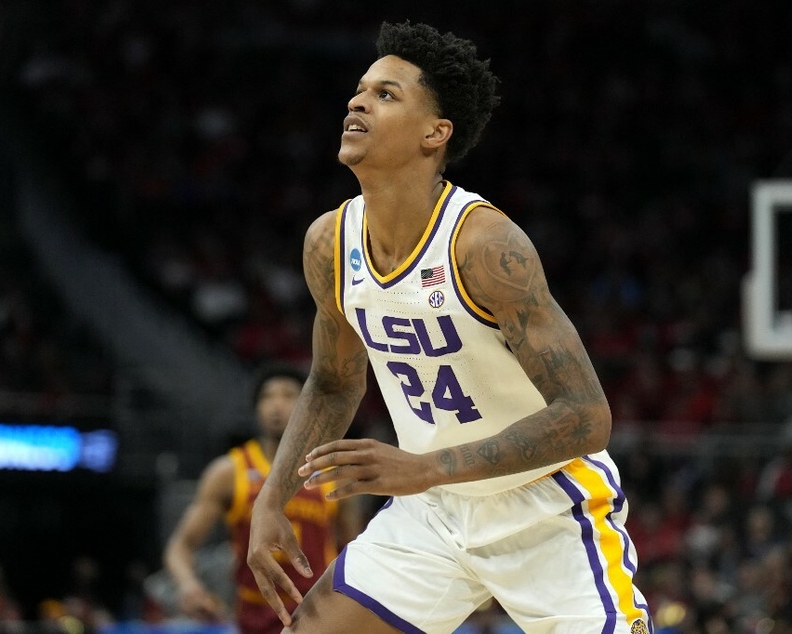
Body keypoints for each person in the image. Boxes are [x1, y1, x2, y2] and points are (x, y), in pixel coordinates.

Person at [247, 20, 652, 633]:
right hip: (431, 512)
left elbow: (587, 415)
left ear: (435, 134)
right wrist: (271, 499)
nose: (357, 101)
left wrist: (426, 467)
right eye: (361, 90)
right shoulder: (329, 243)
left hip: (544, 509)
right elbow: (333, 383)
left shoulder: (485, 246)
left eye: (387, 95)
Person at [164, 362, 364, 633]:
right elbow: (181, 546)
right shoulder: (229, 472)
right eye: (268, 397)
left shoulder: (334, 471)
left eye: (288, 395)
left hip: (317, 609)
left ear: (308, 406)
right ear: (256, 409)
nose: (276, 406)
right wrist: (189, 586)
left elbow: (355, 550)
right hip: (254, 613)